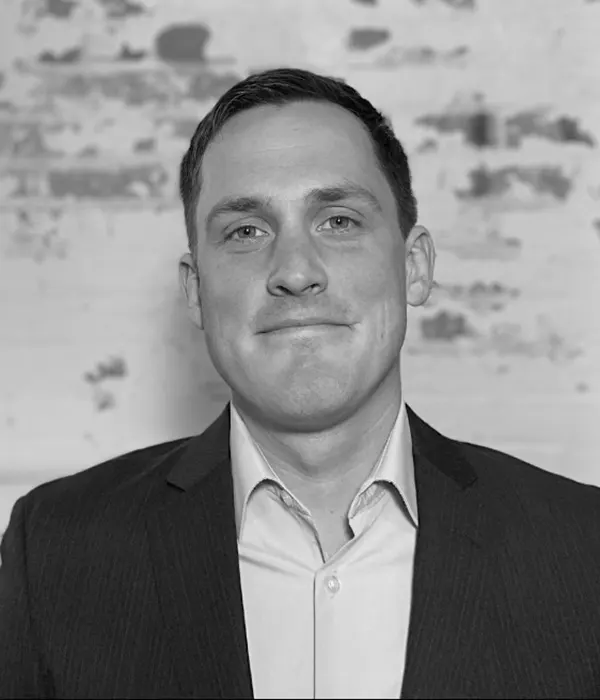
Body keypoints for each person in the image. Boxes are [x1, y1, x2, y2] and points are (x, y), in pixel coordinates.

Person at [1, 67, 599, 700]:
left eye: (338, 221)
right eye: (246, 231)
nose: (293, 271)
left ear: (415, 266)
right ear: (196, 290)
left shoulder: (583, 550)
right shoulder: (56, 551)